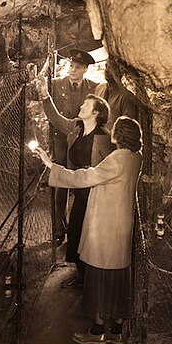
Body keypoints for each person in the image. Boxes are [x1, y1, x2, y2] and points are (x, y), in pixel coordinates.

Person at [33, 117, 143, 344]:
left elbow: (85, 178)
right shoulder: (135, 157)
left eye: (116, 129)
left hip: (106, 227)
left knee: (99, 278)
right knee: (117, 279)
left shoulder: (117, 159)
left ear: (120, 135)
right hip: (120, 226)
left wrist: (51, 166)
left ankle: (97, 331)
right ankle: (116, 330)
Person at [36, 76, 113, 289]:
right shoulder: (77, 128)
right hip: (80, 189)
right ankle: (81, 275)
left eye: (86, 105)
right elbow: (56, 118)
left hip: (95, 193)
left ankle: (90, 280)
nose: (81, 106)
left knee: (90, 234)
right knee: (77, 231)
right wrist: (44, 95)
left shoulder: (103, 138)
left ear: (96, 113)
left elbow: (106, 171)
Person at [49, 49, 97, 246]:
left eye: (77, 67)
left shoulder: (94, 88)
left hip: (81, 143)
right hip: (61, 141)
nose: (73, 70)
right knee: (61, 184)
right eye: (71, 66)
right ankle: (59, 228)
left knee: (81, 182)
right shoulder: (55, 85)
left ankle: (79, 227)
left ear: (85, 69)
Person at [94, 57, 141, 128]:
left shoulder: (126, 96)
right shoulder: (99, 88)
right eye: (106, 66)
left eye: (111, 68)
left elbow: (127, 127)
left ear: (120, 71)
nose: (106, 70)